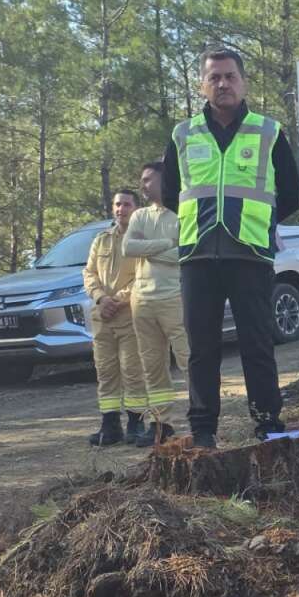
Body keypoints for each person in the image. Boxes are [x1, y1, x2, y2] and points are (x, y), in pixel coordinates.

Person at [161, 47, 299, 448]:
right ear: (202, 85)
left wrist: (260, 223)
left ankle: (268, 425)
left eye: (229, 76)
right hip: (198, 256)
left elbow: (291, 193)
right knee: (201, 350)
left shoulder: (269, 131)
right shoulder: (182, 134)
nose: (222, 83)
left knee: (257, 344)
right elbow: (172, 193)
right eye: (214, 77)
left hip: (250, 256)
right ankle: (203, 431)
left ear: (243, 82)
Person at [123, 161, 189, 447]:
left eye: (148, 179)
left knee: (188, 358)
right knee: (152, 365)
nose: (143, 184)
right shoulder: (139, 216)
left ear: (165, 179)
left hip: (173, 296)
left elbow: (185, 253)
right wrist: (165, 244)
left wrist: (150, 249)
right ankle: (162, 423)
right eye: (142, 180)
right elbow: (128, 248)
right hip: (142, 300)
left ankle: (201, 417)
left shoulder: (182, 210)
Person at [83, 188, 147, 446]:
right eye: (118, 204)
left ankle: (136, 423)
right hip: (102, 317)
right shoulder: (101, 240)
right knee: (106, 372)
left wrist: (117, 300)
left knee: (133, 371)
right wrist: (101, 298)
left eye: (127, 205)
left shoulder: (142, 239)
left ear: (136, 208)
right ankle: (110, 426)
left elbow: (143, 277)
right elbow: (89, 273)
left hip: (129, 315)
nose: (121, 209)